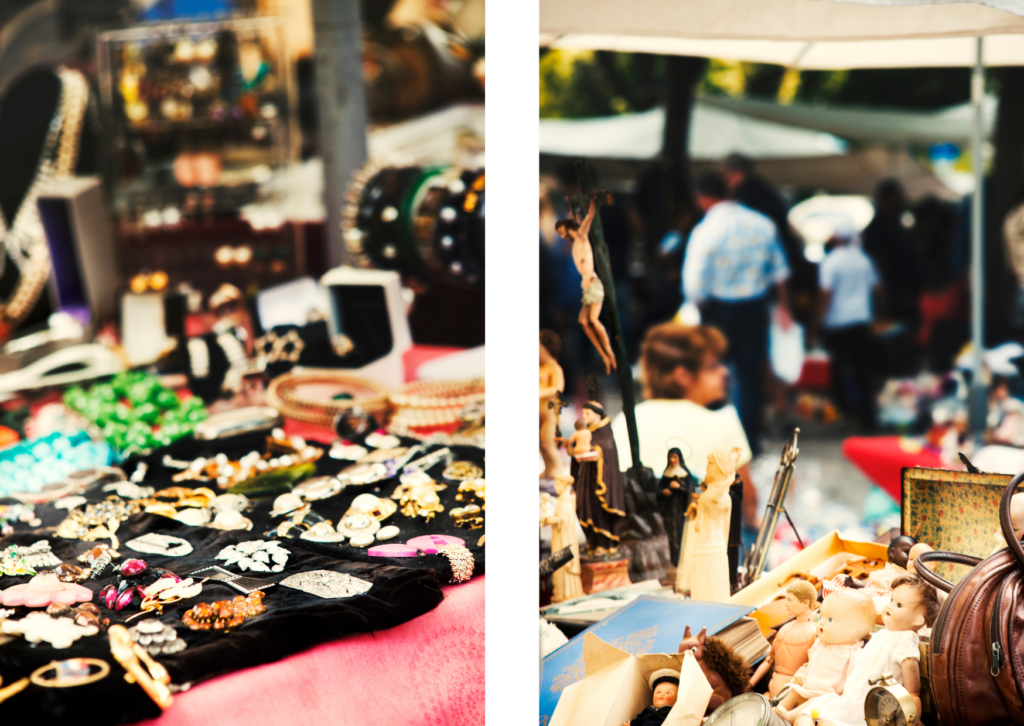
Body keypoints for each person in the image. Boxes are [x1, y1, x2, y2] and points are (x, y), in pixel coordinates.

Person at [682, 172, 792, 454]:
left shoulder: (706, 229)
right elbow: (780, 271)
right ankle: (748, 440)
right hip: (755, 307)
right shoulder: (762, 223)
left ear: (703, 198)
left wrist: (698, 306)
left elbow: (694, 281)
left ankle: (717, 439)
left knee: (713, 372)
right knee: (750, 374)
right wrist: (783, 308)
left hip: (720, 309)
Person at [610, 323, 759, 528]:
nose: (724, 372)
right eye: (713, 366)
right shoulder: (724, 421)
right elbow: (748, 505)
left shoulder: (628, 418)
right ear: (682, 376)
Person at [816, 216, 881, 430]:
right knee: (863, 371)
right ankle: (867, 418)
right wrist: (879, 315)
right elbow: (878, 289)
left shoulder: (831, 261)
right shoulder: (864, 260)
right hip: (861, 320)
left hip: (836, 322)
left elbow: (825, 294)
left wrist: (816, 322)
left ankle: (846, 412)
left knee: (838, 371)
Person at [555, 192, 617, 374]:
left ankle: (609, 354)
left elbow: (587, 219)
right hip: (587, 287)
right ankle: (605, 356)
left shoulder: (581, 236)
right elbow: (574, 221)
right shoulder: (574, 242)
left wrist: (592, 204)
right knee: (583, 322)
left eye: (561, 232)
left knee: (593, 321)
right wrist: (570, 208)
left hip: (593, 284)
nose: (561, 236)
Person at [861, 179, 922, 328]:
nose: (903, 201)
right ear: (888, 200)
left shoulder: (893, 226)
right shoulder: (878, 230)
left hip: (903, 298)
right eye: (899, 197)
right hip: (894, 301)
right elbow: (879, 270)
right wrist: (884, 307)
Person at [539, 330, 566, 479]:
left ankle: (557, 470)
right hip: (538, 414)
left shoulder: (554, 367)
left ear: (546, 349)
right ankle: (548, 469)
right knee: (540, 445)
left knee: (547, 444)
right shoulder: (539, 367)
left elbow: (558, 388)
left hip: (548, 415)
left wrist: (540, 393)